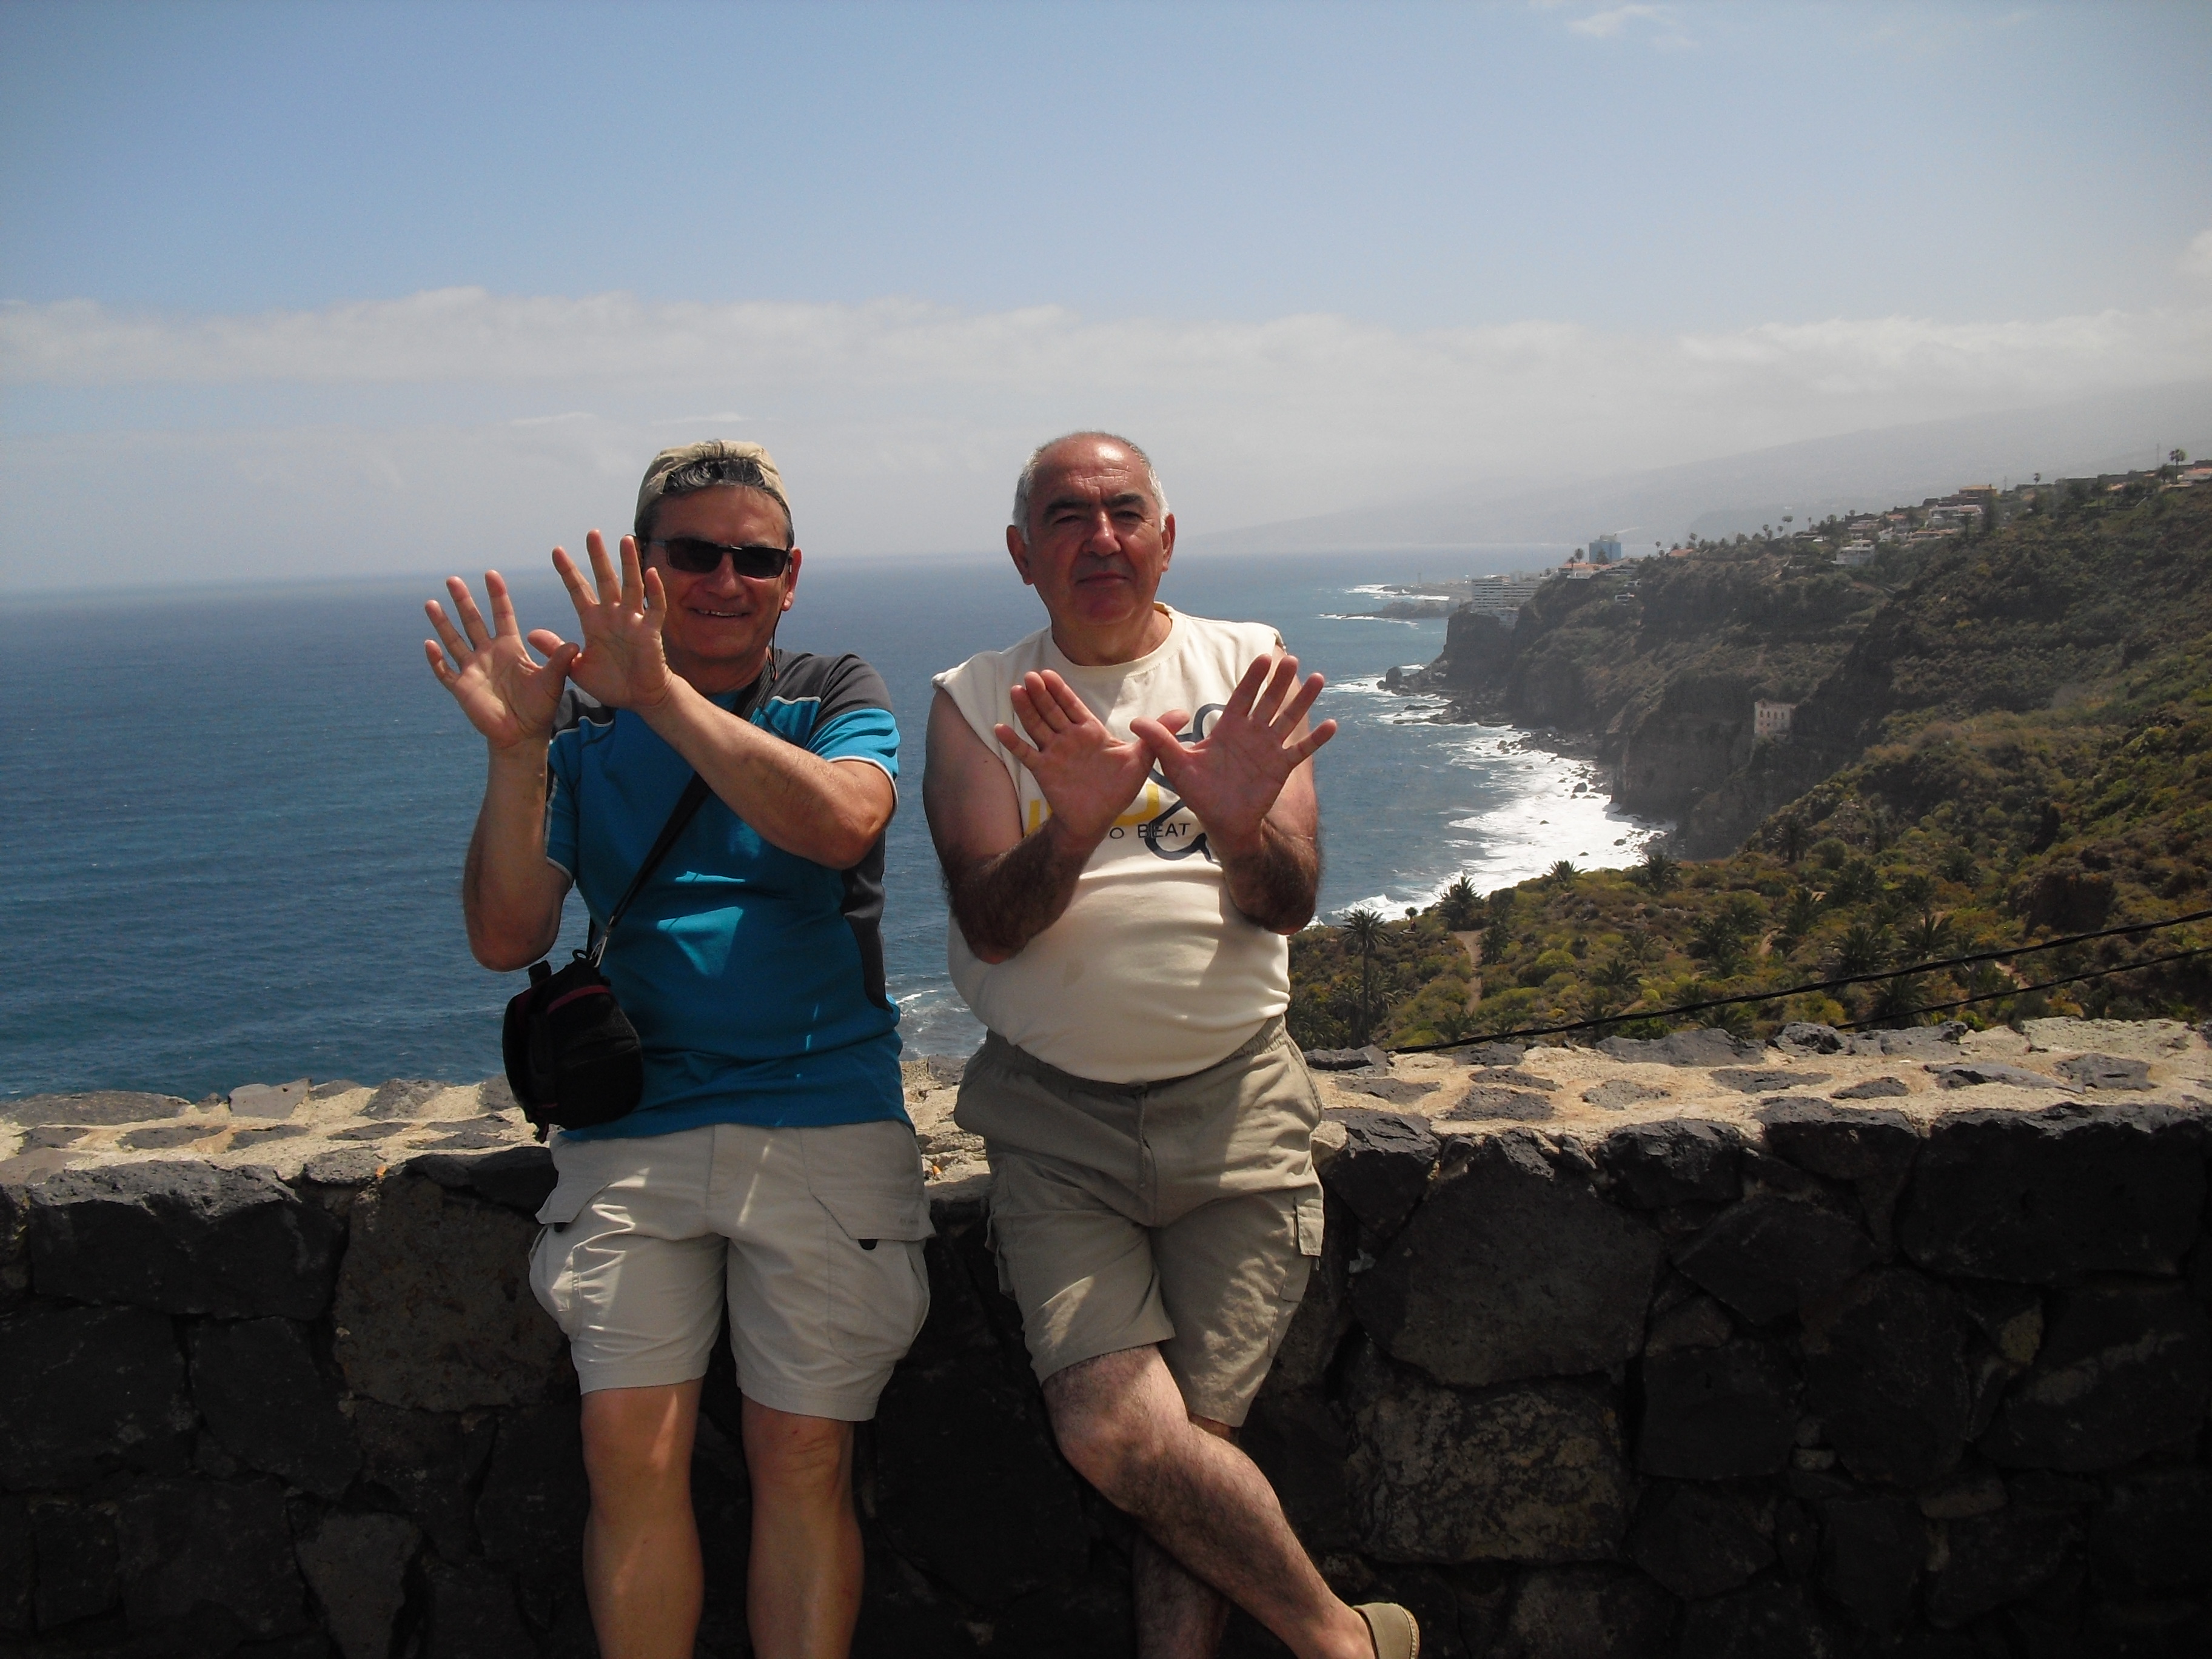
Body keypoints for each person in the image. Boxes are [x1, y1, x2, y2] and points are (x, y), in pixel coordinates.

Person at [423, 441, 928, 1659]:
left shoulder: (831, 690)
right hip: (634, 1124)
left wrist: (659, 696)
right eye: (693, 554)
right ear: (645, 571)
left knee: (802, 1454)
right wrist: (516, 751)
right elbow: (506, 935)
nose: (724, 579)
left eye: (753, 558)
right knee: (626, 1452)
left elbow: (842, 820)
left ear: (790, 575)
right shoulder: (582, 739)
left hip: (823, 1114)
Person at [922, 432, 1416, 1659]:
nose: (1098, 536)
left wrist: (1243, 828)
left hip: (1238, 1107)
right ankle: (1342, 1643)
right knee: (1112, 1428)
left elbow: (1288, 900)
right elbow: (991, 922)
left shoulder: (1244, 665)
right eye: (1065, 515)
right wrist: (1073, 829)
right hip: (1057, 1123)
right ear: (1021, 552)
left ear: (1166, 535)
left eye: (1123, 510)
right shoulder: (977, 701)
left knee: (1187, 1442)